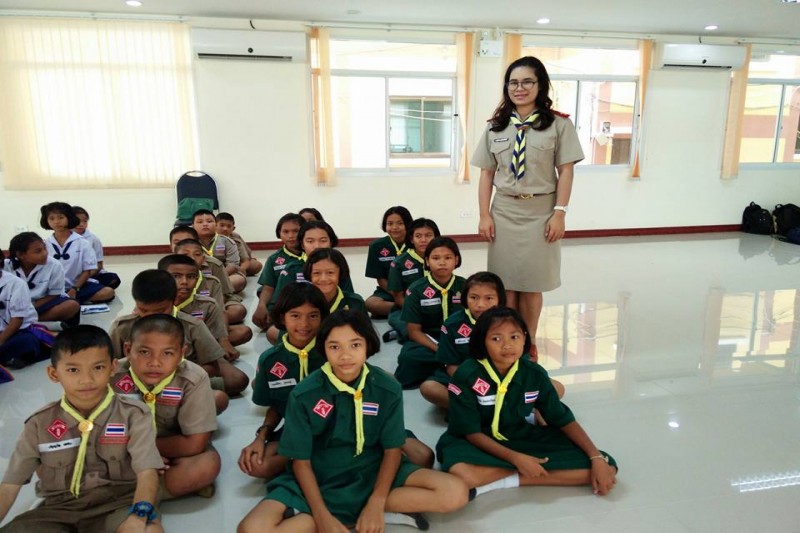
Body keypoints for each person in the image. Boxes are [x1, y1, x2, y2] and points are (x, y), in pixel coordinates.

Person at [237, 310, 469, 533]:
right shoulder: (304, 394)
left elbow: (392, 450)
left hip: (372, 471)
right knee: (250, 529)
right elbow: (301, 462)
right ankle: (345, 515)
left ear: (368, 345)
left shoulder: (387, 387)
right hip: (320, 477)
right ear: (323, 349)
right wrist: (322, 517)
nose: (345, 355)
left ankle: (372, 511)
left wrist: (377, 501)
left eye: (355, 345)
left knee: (456, 492)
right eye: (334, 346)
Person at [436, 307, 617, 498]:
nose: (507, 346)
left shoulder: (534, 374)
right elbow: (471, 433)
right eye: (496, 339)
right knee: (462, 474)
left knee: (607, 466)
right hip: (475, 441)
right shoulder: (466, 375)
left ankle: (497, 481)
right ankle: (519, 472)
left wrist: (595, 457)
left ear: (524, 338)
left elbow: (561, 417)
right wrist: (517, 459)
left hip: (520, 437)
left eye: (514, 337)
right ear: (482, 341)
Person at [0, 325, 164, 532]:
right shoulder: (39, 424)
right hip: (59, 509)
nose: (86, 379)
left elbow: (147, 471)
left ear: (113, 368)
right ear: (53, 373)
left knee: (146, 530)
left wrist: (138, 515)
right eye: (73, 370)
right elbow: (10, 484)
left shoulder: (134, 414)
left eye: (98, 367)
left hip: (119, 503)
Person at [474, 56, 584, 359]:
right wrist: (484, 215)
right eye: (513, 82)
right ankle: (506, 337)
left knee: (533, 283)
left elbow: (566, 171)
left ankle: (529, 338)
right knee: (506, 283)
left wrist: (560, 212)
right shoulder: (495, 127)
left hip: (541, 211)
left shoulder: (558, 125)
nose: (519, 88)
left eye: (527, 82)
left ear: (540, 85)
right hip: (504, 211)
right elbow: (486, 174)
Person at [114, 314, 222, 499]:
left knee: (206, 465)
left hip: (171, 447)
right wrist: (140, 456)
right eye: (144, 352)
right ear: (128, 349)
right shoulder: (110, 375)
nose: (155, 362)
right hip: (119, 450)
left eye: (168, 353)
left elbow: (195, 443)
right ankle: (155, 487)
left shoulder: (194, 378)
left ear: (181, 353)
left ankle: (137, 491)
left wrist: (149, 452)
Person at [239, 282, 330, 481]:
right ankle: (310, 460)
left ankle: (309, 460)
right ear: (282, 318)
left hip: (335, 427)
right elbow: (277, 406)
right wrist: (261, 436)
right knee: (256, 465)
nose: (304, 324)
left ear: (322, 317)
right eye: (295, 316)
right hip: (296, 429)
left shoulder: (332, 352)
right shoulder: (271, 360)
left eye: (313, 316)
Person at [109, 270, 249, 397]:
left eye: (160, 310)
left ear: (174, 301)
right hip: (135, 386)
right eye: (143, 310)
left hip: (179, 385)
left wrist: (177, 380)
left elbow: (212, 367)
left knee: (225, 393)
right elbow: (110, 365)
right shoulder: (122, 327)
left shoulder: (193, 325)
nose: (151, 317)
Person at [419, 271, 507, 409]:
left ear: (499, 300)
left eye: (489, 298)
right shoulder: (452, 324)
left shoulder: (510, 323)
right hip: (466, 378)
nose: (480, 304)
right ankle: (479, 409)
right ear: (465, 298)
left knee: (542, 383)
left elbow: (520, 361)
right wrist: (476, 384)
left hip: (502, 378)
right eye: (474, 297)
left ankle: (477, 409)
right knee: (429, 388)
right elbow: (451, 366)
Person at [395, 237, 466, 389]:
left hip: (460, 339)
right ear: (427, 261)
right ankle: (445, 369)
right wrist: (441, 350)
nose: (442, 262)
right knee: (408, 357)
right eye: (436, 258)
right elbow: (414, 332)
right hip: (430, 341)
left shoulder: (466, 287)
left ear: (456, 260)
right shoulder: (416, 289)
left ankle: (439, 371)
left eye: (448, 258)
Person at [157, 254, 252, 359]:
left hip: (197, 343)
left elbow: (213, 332)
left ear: (197, 278)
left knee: (241, 332)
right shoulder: (153, 303)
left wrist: (223, 341)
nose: (184, 282)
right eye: (176, 276)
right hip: (159, 347)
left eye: (191, 277)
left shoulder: (208, 304)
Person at [40, 201, 114, 304]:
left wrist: (75, 289)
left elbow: (87, 271)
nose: (56, 222)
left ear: (69, 218)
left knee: (108, 292)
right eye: (51, 218)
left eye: (61, 218)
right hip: (52, 288)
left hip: (77, 286)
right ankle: (67, 301)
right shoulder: (44, 244)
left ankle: (66, 300)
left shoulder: (82, 242)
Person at [171, 232, 247, 326]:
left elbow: (223, 294)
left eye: (197, 254)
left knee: (238, 312)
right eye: (185, 254)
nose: (192, 258)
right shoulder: (168, 268)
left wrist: (211, 313)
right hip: (183, 309)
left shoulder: (214, 267)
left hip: (212, 304)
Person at [5, 232, 80, 325]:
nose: (44, 253)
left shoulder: (54, 265)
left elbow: (53, 295)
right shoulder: (6, 266)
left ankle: (22, 322)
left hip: (41, 304)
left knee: (72, 305)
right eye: (38, 251)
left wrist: (28, 309)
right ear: (20, 255)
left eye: (45, 248)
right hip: (12, 307)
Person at [384, 218, 440, 343]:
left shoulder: (441, 259)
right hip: (406, 309)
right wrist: (418, 312)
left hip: (437, 306)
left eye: (428, 235)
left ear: (436, 237)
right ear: (411, 239)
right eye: (418, 236)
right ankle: (401, 333)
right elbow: (398, 297)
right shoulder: (399, 263)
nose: (423, 240)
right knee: (409, 329)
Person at [252, 213, 305, 330]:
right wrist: (261, 306)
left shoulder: (312, 255)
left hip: (308, 302)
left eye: (296, 231)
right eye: (285, 232)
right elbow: (268, 287)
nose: (291, 236)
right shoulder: (274, 259)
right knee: (266, 324)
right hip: (283, 305)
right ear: (279, 234)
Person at [0, 251, 49, 369]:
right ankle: (10, 356)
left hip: (15, 331)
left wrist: (0, 341)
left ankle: (17, 355)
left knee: (27, 341)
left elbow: (17, 320)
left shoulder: (16, 284)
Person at [364, 206, 413, 319]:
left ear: (408, 224)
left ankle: (401, 311)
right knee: (371, 303)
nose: (394, 227)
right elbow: (381, 279)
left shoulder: (416, 243)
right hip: (388, 291)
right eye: (390, 224)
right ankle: (409, 310)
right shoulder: (376, 246)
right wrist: (397, 295)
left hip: (414, 291)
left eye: (400, 223)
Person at [191, 209, 246, 293]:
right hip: (197, 276)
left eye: (209, 221)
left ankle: (206, 292)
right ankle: (215, 293)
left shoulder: (227, 241)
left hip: (224, 275)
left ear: (216, 224)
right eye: (200, 222)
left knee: (238, 280)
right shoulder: (188, 243)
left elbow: (233, 265)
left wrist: (216, 277)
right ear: (193, 226)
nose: (205, 224)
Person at [72, 206, 122, 289]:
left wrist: (84, 278)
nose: (81, 224)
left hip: (90, 274)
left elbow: (99, 265)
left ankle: (87, 287)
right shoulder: (64, 238)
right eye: (77, 221)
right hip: (70, 275)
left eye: (85, 221)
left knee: (113, 279)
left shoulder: (94, 239)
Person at [215, 212, 263, 277]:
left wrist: (241, 269)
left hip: (235, 264)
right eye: (222, 225)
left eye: (229, 226)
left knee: (256, 265)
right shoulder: (210, 237)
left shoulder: (235, 238)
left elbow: (245, 260)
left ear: (233, 228)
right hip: (217, 265)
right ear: (215, 226)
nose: (225, 229)